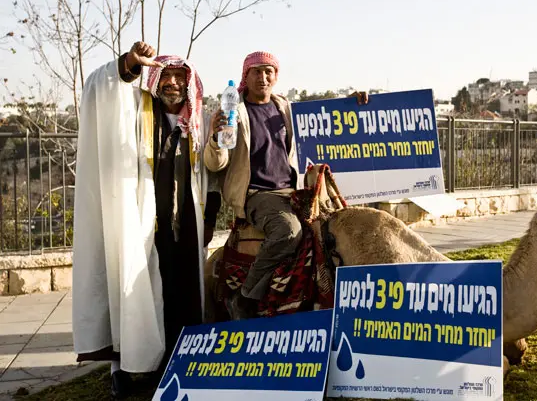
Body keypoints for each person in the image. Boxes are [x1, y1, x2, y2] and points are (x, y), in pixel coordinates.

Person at [72, 41, 220, 399]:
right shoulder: (136, 109)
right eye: (165, 75)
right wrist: (127, 65)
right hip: (141, 221)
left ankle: (175, 361)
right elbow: (100, 89)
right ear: (154, 79)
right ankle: (124, 366)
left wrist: (210, 217)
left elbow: (211, 173)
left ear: (189, 83)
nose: (172, 83)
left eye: (179, 76)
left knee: (181, 291)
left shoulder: (196, 121)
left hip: (185, 223)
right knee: (135, 289)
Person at [204, 51, 368, 319]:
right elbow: (215, 164)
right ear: (245, 75)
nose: (263, 77)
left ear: (276, 77)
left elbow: (319, 117)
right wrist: (215, 137)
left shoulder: (284, 108)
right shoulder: (234, 113)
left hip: (292, 191)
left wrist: (347, 105)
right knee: (289, 232)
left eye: (269, 71)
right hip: (258, 194)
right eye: (256, 71)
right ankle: (244, 297)